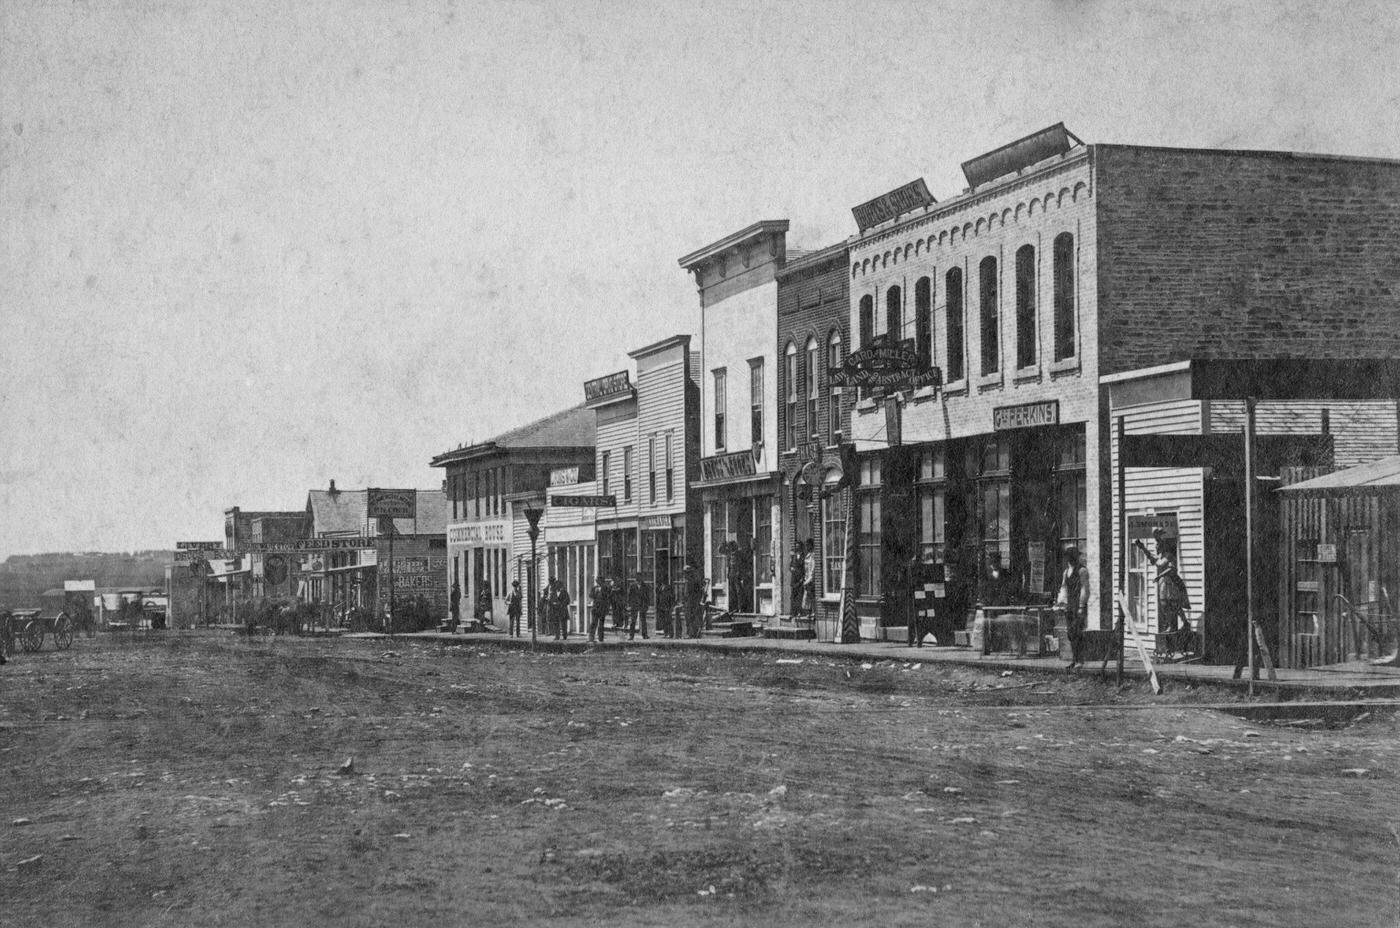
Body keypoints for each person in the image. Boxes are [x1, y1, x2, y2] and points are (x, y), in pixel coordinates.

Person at [1137, 528, 1190, 639]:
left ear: (1162, 546)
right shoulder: (1160, 556)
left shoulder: (1168, 556)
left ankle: (1184, 623)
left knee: (1174, 605)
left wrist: (1159, 576)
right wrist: (1142, 548)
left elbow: (1171, 569)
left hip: (1172, 582)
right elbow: (1152, 558)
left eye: (1158, 546)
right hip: (1164, 583)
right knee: (1164, 604)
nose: (1156, 548)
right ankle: (1172, 625)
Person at [1055, 545, 1091, 670]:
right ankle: (1075, 659)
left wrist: (1081, 606)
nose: (1070, 559)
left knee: (1077, 632)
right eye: (1068, 557)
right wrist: (1061, 602)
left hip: (1078, 605)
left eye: (1072, 557)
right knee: (1070, 633)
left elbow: (1084, 589)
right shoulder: (1066, 572)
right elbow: (1064, 588)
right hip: (1070, 606)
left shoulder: (1082, 571)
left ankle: (1080, 660)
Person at [683, 562, 705, 638]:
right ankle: (690, 633)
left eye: (687, 573)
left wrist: (695, 601)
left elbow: (697, 592)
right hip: (688, 602)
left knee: (691, 617)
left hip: (692, 602)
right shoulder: (688, 582)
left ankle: (692, 633)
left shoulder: (693, 581)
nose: (685, 575)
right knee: (688, 617)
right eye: (685, 573)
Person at [587, 578, 607, 642]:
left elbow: (608, 598)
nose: (599, 583)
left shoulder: (606, 588)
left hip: (602, 608)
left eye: (600, 582)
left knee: (601, 624)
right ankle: (591, 637)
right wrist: (595, 592)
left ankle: (600, 638)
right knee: (593, 623)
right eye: (598, 582)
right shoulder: (594, 588)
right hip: (595, 608)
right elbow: (590, 595)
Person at [801, 539, 817, 617]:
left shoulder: (813, 555)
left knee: (811, 596)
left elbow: (813, 569)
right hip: (807, 578)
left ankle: (814, 612)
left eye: (808, 545)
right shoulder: (807, 555)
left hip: (811, 579)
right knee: (808, 596)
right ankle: (809, 612)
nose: (806, 547)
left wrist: (809, 579)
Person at [788, 550, 806, 616]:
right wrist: (791, 568)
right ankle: (793, 612)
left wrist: (802, 578)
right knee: (793, 596)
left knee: (800, 596)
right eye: (797, 547)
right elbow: (789, 566)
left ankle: (799, 611)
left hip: (800, 578)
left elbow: (804, 568)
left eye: (799, 547)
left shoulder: (803, 557)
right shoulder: (793, 557)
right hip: (794, 579)